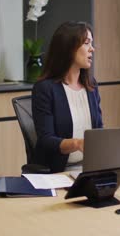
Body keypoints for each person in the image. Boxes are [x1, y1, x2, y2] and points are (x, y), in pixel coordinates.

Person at [32, 21, 103, 173]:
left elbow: (99, 129)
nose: (92, 49)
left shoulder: (91, 86)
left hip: (89, 169)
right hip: (57, 171)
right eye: (87, 43)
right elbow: (46, 140)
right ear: (69, 48)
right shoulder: (45, 88)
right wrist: (77, 143)